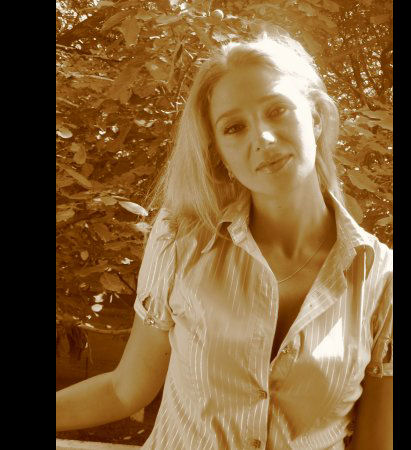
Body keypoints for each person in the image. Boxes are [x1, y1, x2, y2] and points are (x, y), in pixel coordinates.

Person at [56, 31, 393, 450]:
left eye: (277, 110)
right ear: (219, 155)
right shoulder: (180, 240)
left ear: (317, 117)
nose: (262, 138)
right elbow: (125, 390)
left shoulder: (382, 279)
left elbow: (376, 442)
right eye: (234, 127)